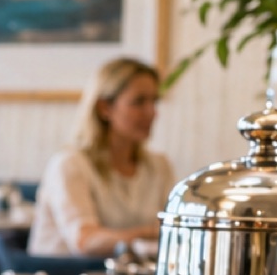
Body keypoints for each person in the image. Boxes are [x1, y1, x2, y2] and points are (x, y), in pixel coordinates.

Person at [28, 57, 174, 257]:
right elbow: (85, 242)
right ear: (105, 108)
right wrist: (151, 233)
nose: (152, 112)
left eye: (154, 101)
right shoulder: (69, 164)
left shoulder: (160, 166)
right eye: (139, 102)